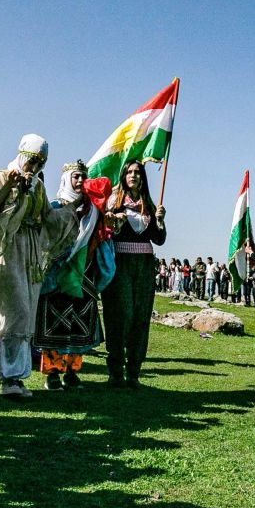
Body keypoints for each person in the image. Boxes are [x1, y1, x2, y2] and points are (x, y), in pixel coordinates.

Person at [0, 133, 75, 397]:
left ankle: (17, 376)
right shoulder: (3, 177)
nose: (34, 168)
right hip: (7, 250)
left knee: (25, 313)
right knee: (11, 311)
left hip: (30, 253)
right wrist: (11, 190)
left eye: (40, 163)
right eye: (32, 160)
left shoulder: (39, 187)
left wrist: (70, 211)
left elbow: (47, 217)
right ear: (22, 155)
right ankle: (7, 377)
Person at [34, 160, 113, 389]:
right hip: (58, 273)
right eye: (75, 176)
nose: (79, 181)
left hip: (83, 273)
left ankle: (72, 372)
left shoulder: (92, 209)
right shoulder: (56, 206)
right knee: (55, 324)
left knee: (78, 323)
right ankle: (52, 374)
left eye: (82, 177)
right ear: (66, 179)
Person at [101, 159, 166, 387]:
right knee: (121, 315)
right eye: (129, 172)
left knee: (140, 316)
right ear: (123, 175)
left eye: (137, 172)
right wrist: (112, 219)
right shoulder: (115, 201)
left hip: (145, 265)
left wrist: (160, 220)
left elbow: (159, 240)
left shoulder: (148, 203)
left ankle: (134, 371)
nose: (133, 175)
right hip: (120, 263)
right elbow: (106, 230)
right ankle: (115, 370)